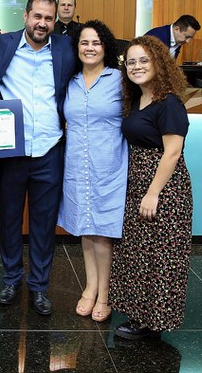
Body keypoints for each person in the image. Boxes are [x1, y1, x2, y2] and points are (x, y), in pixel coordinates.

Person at [0, 0, 77, 316]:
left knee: (43, 224)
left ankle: (39, 286)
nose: (42, 23)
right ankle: (11, 279)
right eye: (37, 16)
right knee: (9, 221)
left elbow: (99, 54)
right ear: (25, 16)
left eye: (49, 18)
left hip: (50, 150)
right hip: (11, 151)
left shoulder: (66, 48)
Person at [110, 35, 194, 340]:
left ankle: (154, 321)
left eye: (144, 60)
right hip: (139, 183)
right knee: (139, 254)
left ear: (159, 63)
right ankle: (141, 315)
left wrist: (153, 193)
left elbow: (172, 152)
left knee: (161, 257)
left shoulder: (169, 103)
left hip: (164, 189)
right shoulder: (137, 99)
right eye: (131, 62)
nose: (136, 66)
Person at [58, 20, 128, 323]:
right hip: (77, 166)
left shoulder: (120, 79)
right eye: (84, 42)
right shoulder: (70, 81)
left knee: (104, 233)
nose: (90, 48)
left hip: (109, 167)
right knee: (85, 229)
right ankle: (90, 286)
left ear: (106, 47)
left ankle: (105, 294)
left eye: (96, 43)